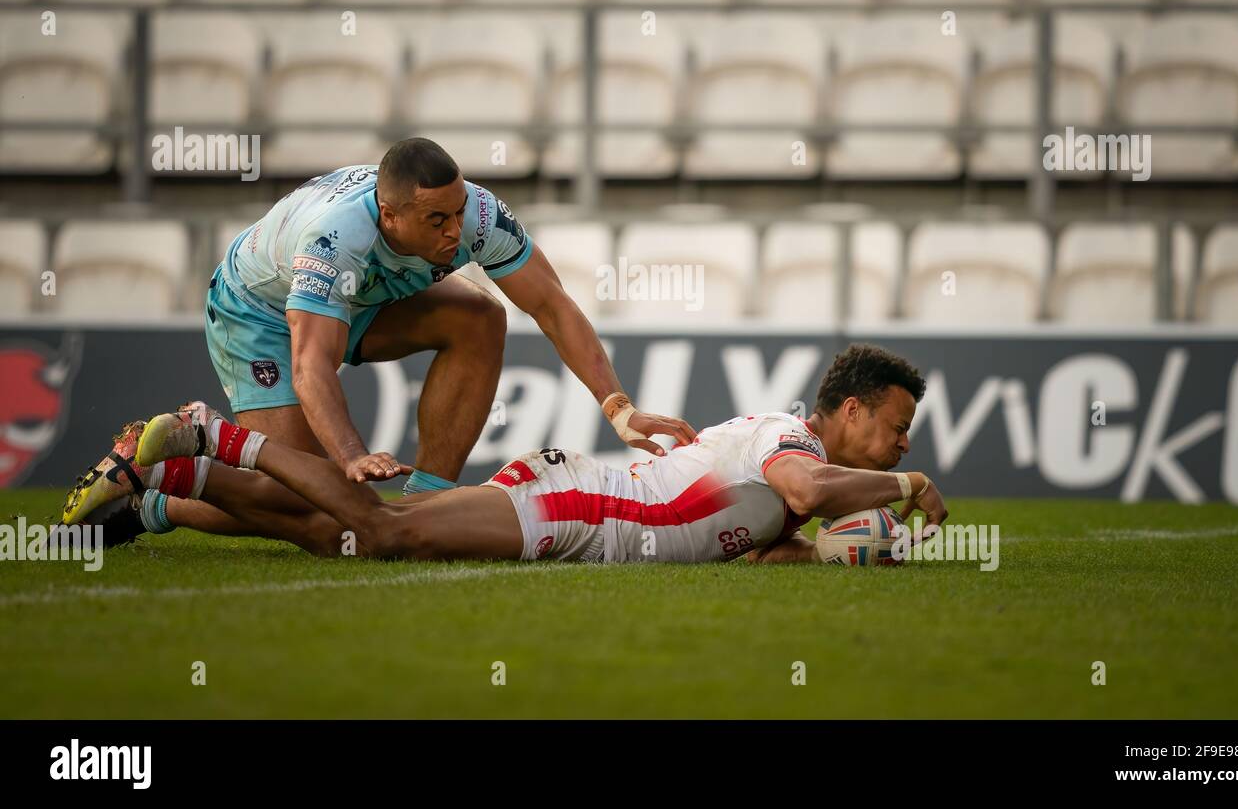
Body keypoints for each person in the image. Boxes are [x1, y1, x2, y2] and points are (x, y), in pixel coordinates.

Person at [62, 138, 695, 540]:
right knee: (316, 511)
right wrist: (350, 457)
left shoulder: (474, 214)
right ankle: (157, 483)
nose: (455, 234)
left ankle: (427, 507)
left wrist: (619, 407)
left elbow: (553, 306)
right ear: (389, 215)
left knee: (479, 317)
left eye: (457, 212)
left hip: (361, 299)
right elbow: (312, 363)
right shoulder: (337, 239)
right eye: (435, 220)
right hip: (260, 311)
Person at [72, 345, 948, 565]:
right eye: (896, 426)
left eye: (907, 441)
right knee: (378, 533)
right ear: (852, 410)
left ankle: (166, 490)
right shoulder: (788, 440)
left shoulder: (792, 479)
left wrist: (845, 550)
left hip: (576, 506)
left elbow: (775, 536)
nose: (904, 443)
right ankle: (213, 431)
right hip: (573, 510)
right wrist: (903, 484)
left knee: (330, 534)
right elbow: (809, 482)